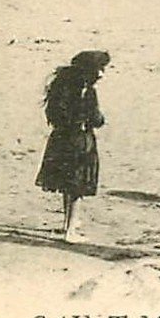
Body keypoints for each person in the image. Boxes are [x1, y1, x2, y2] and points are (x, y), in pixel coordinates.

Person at [35, 50, 111, 242]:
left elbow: (54, 114)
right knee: (76, 185)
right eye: (99, 69)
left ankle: (67, 223)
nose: (101, 74)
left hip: (60, 139)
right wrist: (99, 119)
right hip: (80, 140)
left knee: (66, 183)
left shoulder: (61, 86)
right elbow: (95, 118)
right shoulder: (86, 91)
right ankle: (70, 230)